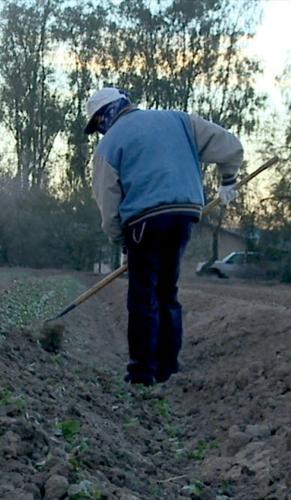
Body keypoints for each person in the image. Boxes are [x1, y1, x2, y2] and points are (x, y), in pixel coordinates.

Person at [85, 87, 243, 386]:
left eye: (97, 125)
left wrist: (121, 240)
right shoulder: (179, 120)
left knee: (143, 296)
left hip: (144, 220)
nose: (99, 132)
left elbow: (108, 203)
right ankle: (168, 367)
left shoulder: (109, 145)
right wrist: (228, 180)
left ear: (106, 115)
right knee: (167, 292)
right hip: (184, 214)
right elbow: (229, 145)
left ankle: (142, 372)